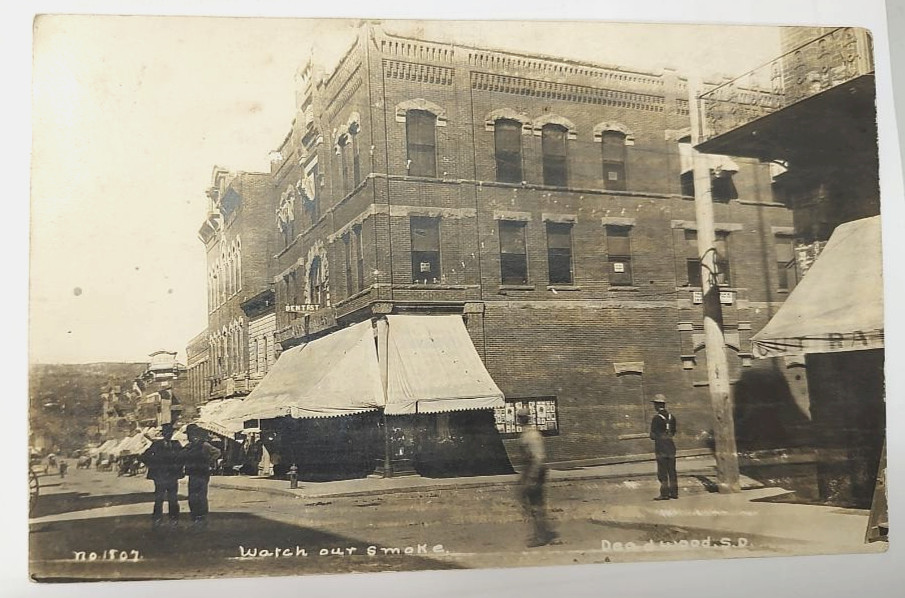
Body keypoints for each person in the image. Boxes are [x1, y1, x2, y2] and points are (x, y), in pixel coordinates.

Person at [516, 407, 559, 547]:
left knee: (536, 506)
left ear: (525, 418)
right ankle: (541, 533)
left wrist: (532, 477)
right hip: (530, 470)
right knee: (532, 505)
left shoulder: (532, 435)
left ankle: (542, 536)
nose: (520, 420)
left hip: (535, 471)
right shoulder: (526, 434)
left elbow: (538, 458)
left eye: (521, 417)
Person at [140, 423, 184, 527]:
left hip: (172, 475)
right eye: (166, 432)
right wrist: (153, 465)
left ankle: (174, 519)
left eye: (170, 432)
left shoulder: (176, 444)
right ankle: (157, 519)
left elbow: (182, 457)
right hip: (160, 476)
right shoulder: (156, 444)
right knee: (159, 498)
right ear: (163, 434)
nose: (168, 434)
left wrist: (179, 467)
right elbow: (144, 456)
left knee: (173, 498)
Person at [182, 424, 221, 528]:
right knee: (192, 496)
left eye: (190, 434)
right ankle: (195, 516)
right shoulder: (188, 446)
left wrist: (208, 462)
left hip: (202, 474)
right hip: (193, 473)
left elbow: (217, 452)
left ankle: (202, 516)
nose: (188, 436)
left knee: (201, 496)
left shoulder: (204, 445)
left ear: (194, 435)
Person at [650, 394, 678, 500]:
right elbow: (673, 432)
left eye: (655, 404)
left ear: (657, 405)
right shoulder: (672, 417)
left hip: (661, 447)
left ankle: (664, 494)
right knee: (672, 470)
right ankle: (674, 493)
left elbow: (652, 435)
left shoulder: (656, 418)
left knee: (662, 471)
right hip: (671, 446)